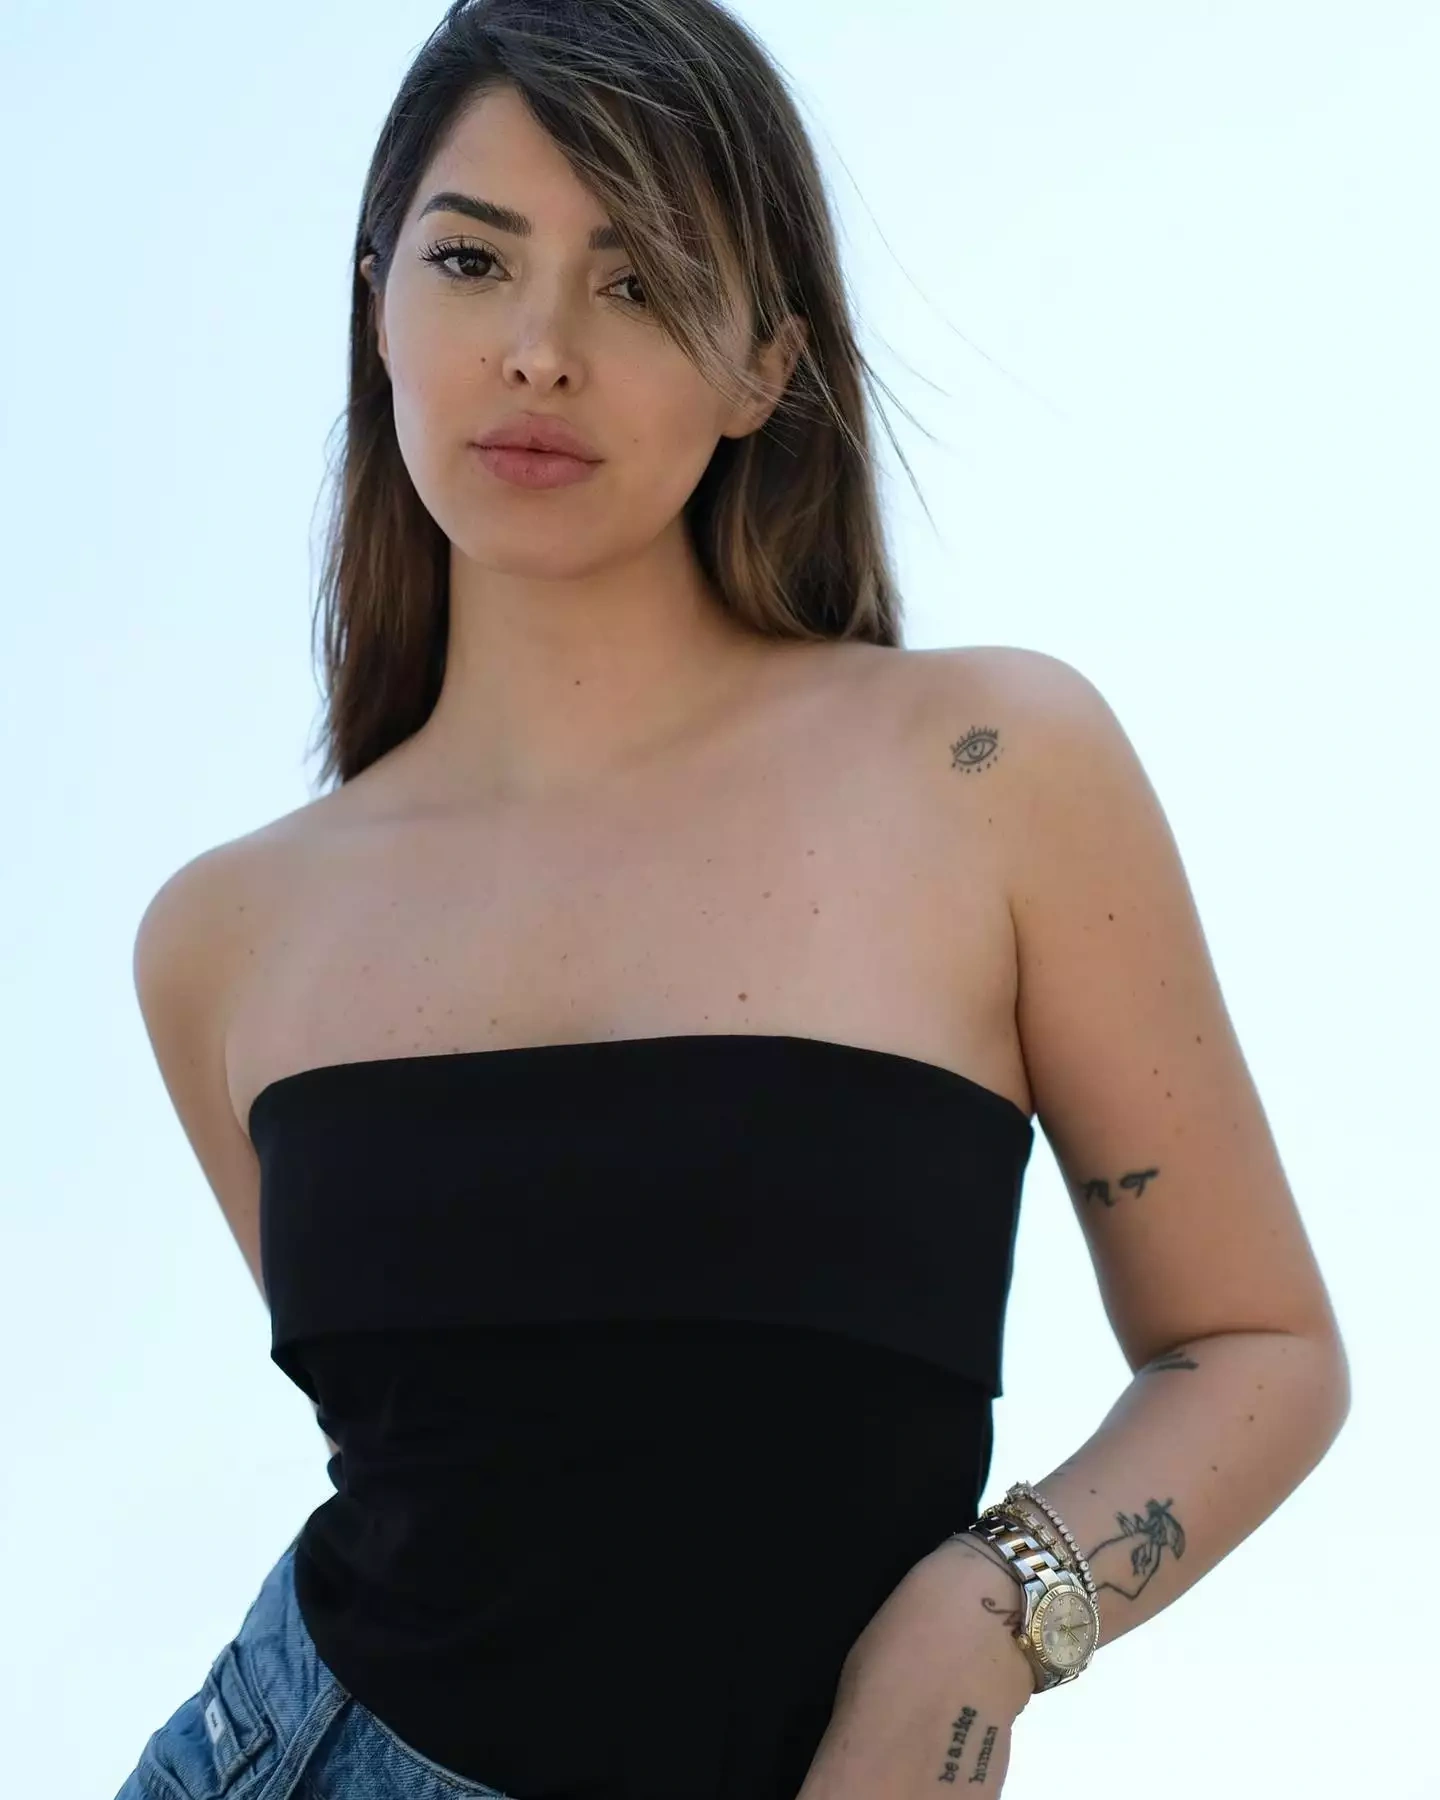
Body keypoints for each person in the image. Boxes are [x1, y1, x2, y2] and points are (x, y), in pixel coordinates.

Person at [112, 2, 1351, 1797]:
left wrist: (985, 1620)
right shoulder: (223, 939)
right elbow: (476, 1476)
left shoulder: (993, 769)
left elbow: (1258, 1347)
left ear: (766, 362)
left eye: (638, 282)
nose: (539, 351)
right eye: (471, 261)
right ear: (376, 303)